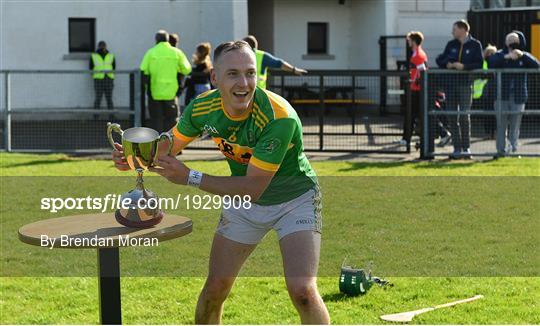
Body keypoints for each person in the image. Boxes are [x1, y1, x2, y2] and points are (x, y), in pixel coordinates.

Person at [112, 40, 330, 324]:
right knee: (215, 289)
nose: (244, 83)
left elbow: (254, 187)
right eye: (233, 74)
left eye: (250, 73)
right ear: (214, 77)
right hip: (243, 204)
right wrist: (134, 158)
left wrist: (190, 176)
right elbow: (169, 145)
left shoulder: (278, 116)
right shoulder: (203, 107)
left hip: (294, 200)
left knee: (302, 290)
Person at [436, 20, 483, 159]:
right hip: (450, 85)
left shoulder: (475, 44)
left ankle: (466, 148)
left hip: (465, 85)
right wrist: (448, 64)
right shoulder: (451, 44)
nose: (452, 32)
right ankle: (456, 148)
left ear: (463, 29)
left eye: (454, 29)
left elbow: (479, 63)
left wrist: (464, 67)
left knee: (464, 115)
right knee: (452, 116)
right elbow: (440, 59)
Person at [488, 31, 539, 157]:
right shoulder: (500, 54)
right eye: (509, 40)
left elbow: (536, 65)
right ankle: (501, 151)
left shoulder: (524, 56)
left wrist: (522, 56)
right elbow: (491, 63)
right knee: (501, 125)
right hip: (501, 96)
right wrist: (507, 57)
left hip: (518, 96)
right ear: (505, 42)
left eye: (515, 40)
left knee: (515, 125)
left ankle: (513, 150)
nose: (512, 43)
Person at [140, 30, 192, 133]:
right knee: (172, 120)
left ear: (156, 40)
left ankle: (158, 146)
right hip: (171, 93)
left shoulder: (151, 52)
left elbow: (143, 70)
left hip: (155, 93)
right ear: (168, 39)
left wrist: (146, 89)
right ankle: (173, 145)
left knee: (156, 120)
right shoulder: (177, 52)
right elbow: (187, 69)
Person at [243, 35, 307, 89]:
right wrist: (294, 70)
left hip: (244, 92)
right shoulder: (262, 56)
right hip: (260, 94)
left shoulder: (240, 55)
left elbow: (279, 63)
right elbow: (279, 63)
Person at [400, 31, 428, 146]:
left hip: (416, 89)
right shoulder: (416, 54)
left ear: (414, 41)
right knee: (415, 114)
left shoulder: (418, 55)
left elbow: (422, 71)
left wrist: (414, 82)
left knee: (411, 114)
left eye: (409, 40)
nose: (408, 42)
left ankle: (406, 139)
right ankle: (406, 139)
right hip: (415, 88)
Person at [184, 42, 213, 106]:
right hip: (206, 86)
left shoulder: (199, 63)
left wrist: (191, 73)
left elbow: (196, 75)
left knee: (197, 107)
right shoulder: (208, 64)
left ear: (199, 53)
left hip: (197, 87)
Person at [90, 41, 115, 113]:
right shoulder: (94, 56)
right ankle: (96, 116)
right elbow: (91, 67)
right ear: (98, 47)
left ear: (106, 46)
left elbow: (113, 67)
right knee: (98, 98)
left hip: (108, 78)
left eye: (103, 46)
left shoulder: (111, 56)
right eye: (101, 46)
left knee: (109, 98)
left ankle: (111, 115)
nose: (102, 48)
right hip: (98, 79)